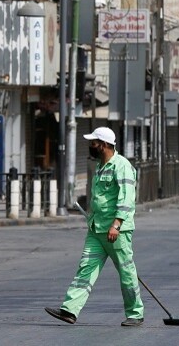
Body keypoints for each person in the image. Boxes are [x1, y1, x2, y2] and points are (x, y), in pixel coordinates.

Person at [45, 127, 145, 326]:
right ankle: (70, 310)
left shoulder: (122, 166)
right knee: (86, 268)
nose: (90, 146)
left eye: (93, 143)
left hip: (116, 231)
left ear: (104, 145)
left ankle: (135, 313)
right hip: (96, 229)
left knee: (126, 272)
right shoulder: (100, 166)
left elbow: (127, 199)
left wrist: (116, 224)